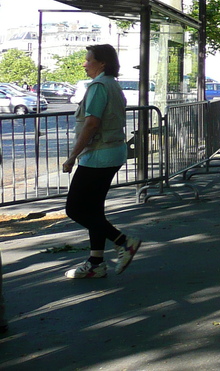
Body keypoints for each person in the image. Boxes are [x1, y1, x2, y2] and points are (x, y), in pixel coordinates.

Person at [62, 44, 142, 279]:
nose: (84, 64)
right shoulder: (113, 84)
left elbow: (92, 123)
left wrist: (72, 156)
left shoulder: (98, 86)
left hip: (98, 155)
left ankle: (124, 242)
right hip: (113, 152)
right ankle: (96, 262)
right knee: (93, 209)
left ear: (102, 63)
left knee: (75, 208)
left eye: (88, 60)